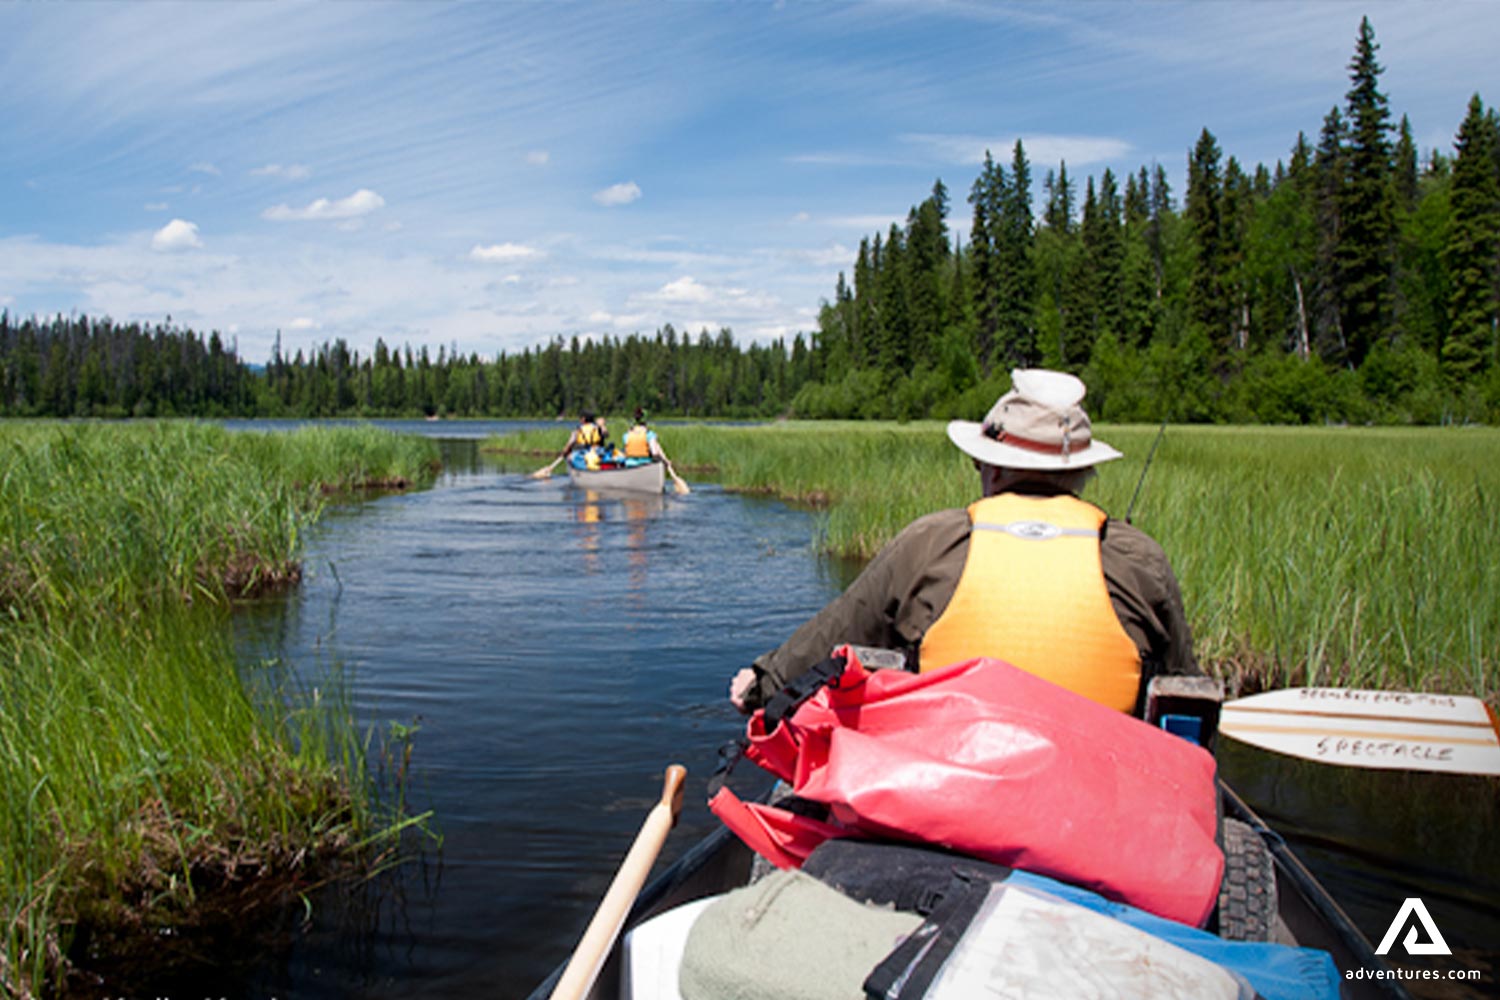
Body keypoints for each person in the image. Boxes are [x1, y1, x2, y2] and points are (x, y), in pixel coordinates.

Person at [728, 368, 1199, 717]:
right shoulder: (1140, 558)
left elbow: (843, 625)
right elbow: (1182, 679)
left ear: (991, 468)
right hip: (1096, 799)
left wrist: (764, 681)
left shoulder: (933, 541)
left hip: (954, 786)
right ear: (1081, 473)